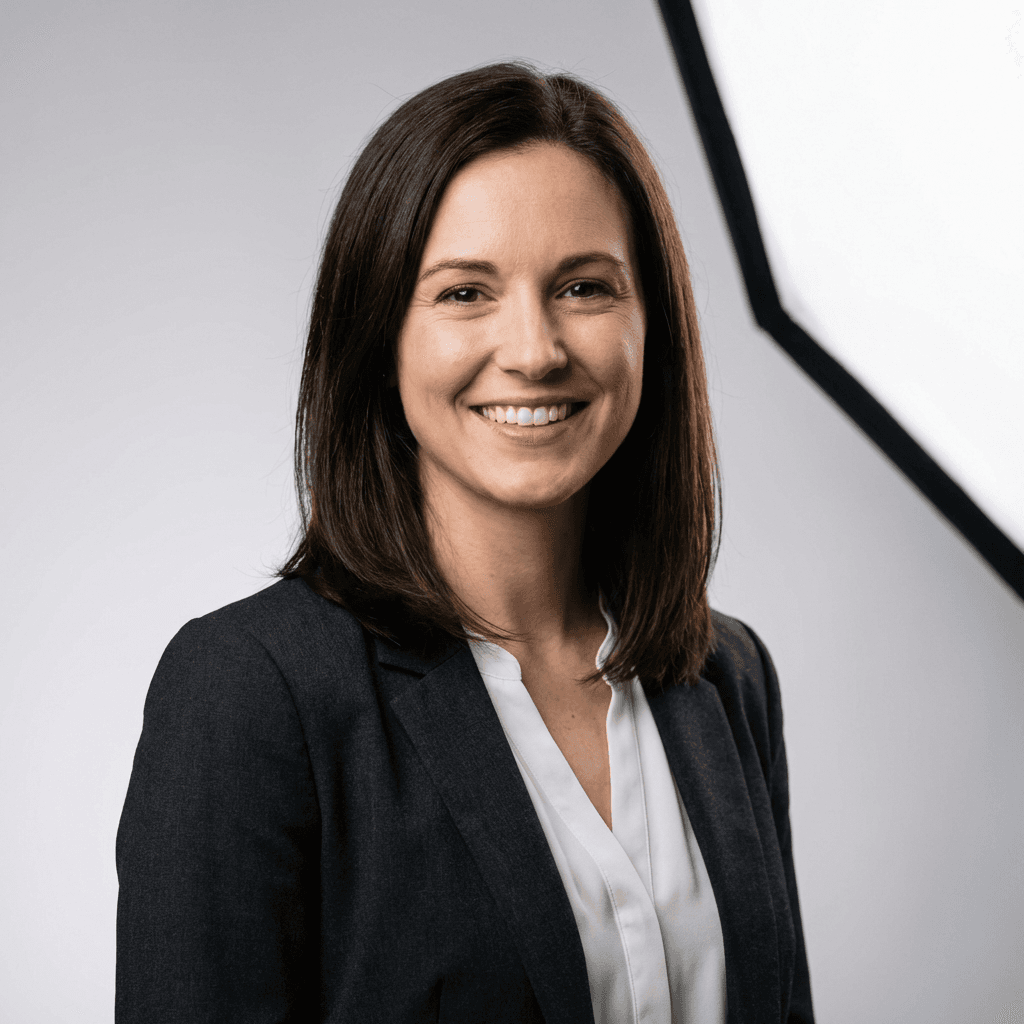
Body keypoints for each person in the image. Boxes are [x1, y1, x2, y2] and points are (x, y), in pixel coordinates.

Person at [115, 62, 813, 1024]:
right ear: (378, 336)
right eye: (463, 293)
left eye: (583, 285)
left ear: (653, 325)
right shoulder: (250, 690)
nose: (533, 348)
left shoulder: (724, 674)